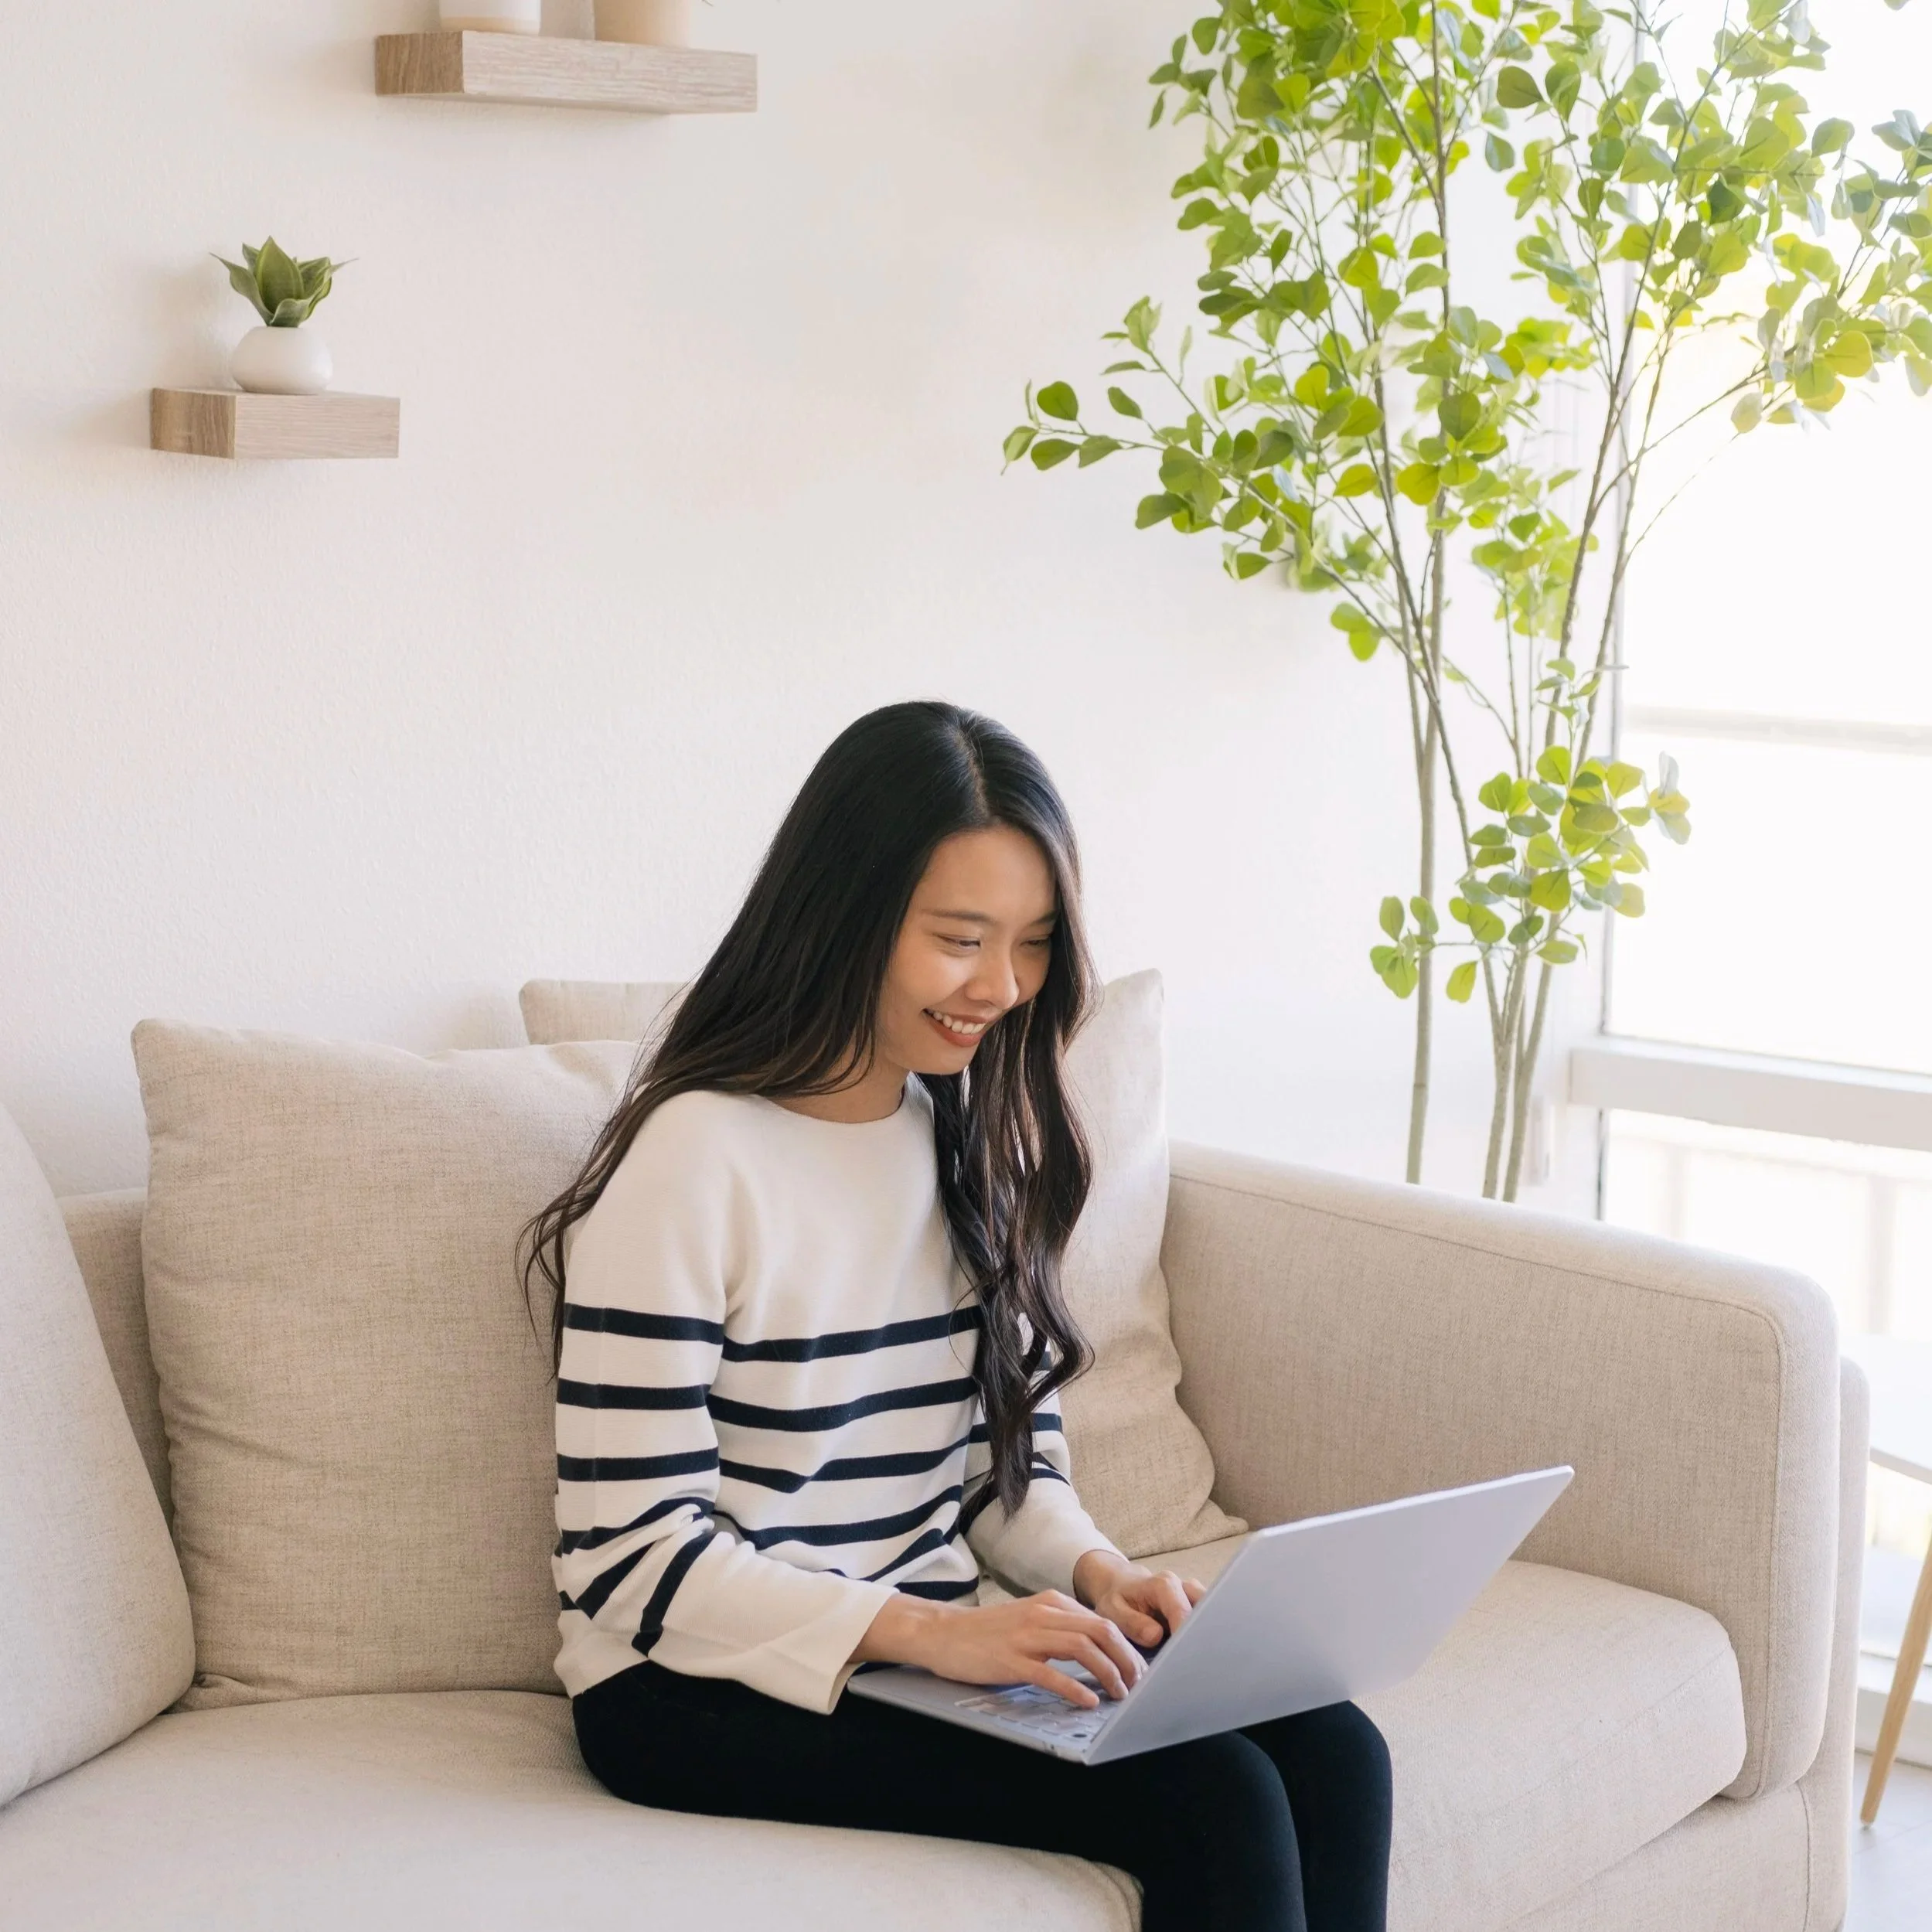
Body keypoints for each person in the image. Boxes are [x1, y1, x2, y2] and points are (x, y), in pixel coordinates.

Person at [523, 700, 1392, 1931]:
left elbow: (1000, 1467)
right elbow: (631, 1559)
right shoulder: (691, 1161)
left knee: (1332, 1742)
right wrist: (927, 1633)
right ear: (844, 916)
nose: (1000, 986)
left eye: (1030, 942)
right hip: (690, 1685)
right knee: (1210, 1796)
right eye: (959, 938)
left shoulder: (955, 1128)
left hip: (912, 1638)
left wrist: (1098, 1570)